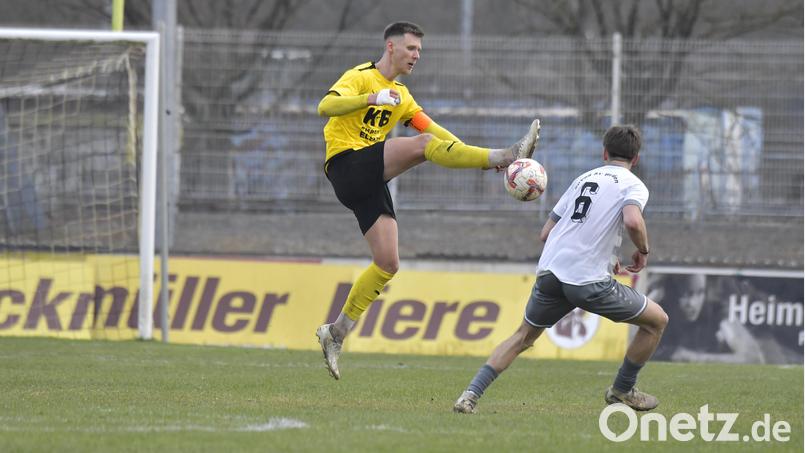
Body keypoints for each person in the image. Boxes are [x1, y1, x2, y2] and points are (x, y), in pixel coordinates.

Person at [315, 21, 541, 380]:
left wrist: (475, 157)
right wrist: (371, 98)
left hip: (369, 177)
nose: (417, 55)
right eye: (411, 49)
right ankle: (506, 154)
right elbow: (325, 107)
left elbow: (436, 132)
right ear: (391, 47)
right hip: (346, 165)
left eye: (419, 50)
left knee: (388, 263)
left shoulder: (403, 97)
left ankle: (336, 332)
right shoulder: (361, 76)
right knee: (421, 148)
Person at [453, 125, 669, 413]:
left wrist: (604, 253)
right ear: (636, 159)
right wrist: (642, 251)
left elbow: (547, 232)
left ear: (604, 153)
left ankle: (469, 396)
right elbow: (632, 221)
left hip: (551, 272)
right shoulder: (633, 184)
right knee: (657, 321)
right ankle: (622, 389)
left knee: (522, 337)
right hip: (587, 281)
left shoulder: (583, 179)